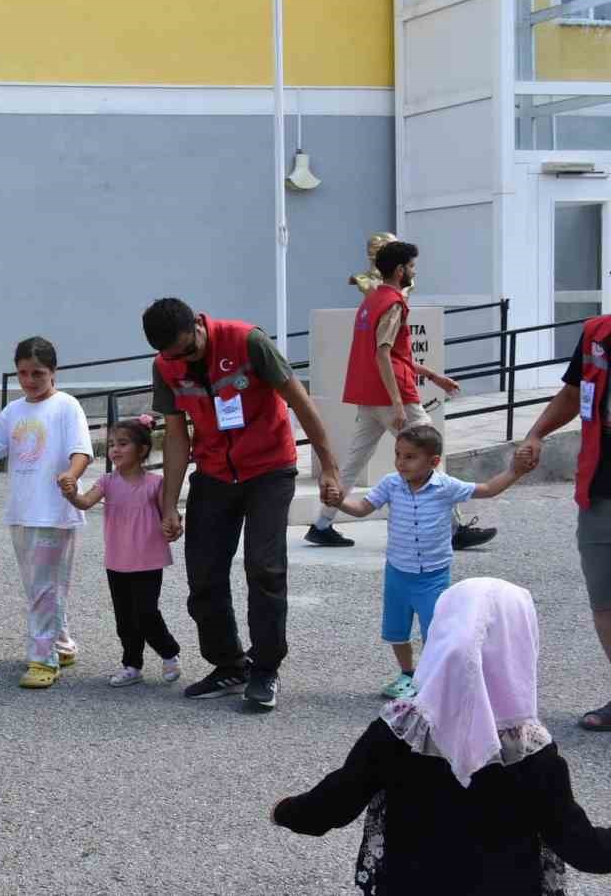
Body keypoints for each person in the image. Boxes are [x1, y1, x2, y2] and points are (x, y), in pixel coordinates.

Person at [272, 578, 611, 895]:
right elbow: (581, 847)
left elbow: (338, 799)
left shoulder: (401, 730)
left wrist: (286, 811)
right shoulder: (529, 750)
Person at [144, 297, 343, 711]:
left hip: (269, 468)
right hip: (215, 473)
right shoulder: (166, 366)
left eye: (187, 349)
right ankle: (230, 664)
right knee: (203, 573)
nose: (182, 359)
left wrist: (328, 465)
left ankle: (265, 669)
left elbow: (299, 400)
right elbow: (178, 437)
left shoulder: (247, 341)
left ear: (198, 325)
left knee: (264, 566)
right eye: (172, 355)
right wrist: (169, 503)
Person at [306, 240, 498, 551]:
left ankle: (322, 524)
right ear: (399, 270)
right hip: (393, 395)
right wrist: (397, 403)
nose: (413, 271)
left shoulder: (371, 301)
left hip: (367, 395)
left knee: (354, 461)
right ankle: (453, 529)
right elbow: (384, 353)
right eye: (411, 267)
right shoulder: (394, 302)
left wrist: (433, 376)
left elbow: (393, 353)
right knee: (429, 453)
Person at [325, 425, 529, 699]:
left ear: (433, 461)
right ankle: (407, 674)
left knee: (436, 629)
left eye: (410, 457)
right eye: (398, 454)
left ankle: (433, 675)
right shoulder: (390, 483)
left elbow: (488, 489)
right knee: (396, 628)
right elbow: (362, 509)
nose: (401, 462)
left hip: (433, 574)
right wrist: (339, 502)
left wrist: (514, 471)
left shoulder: (446, 486)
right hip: (398, 571)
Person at [0, 336, 88, 688]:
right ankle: (61, 644)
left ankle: (42, 659)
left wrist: (71, 477)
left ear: (53, 372)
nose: (29, 381)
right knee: (40, 587)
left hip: (56, 513)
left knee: (45, 588)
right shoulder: (12, 411)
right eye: (23, 373)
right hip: (22, 512)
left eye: (38, 374)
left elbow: (81, 450)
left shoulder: (67, 406)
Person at [518, 314, 611, 731]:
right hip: (600, 491)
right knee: (605, 604)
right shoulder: (597, 333)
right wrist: (536, 433)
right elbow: (573, 394)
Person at [67, 414, 183, 688]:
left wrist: (173, 525)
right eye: (111, 444)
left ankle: (169, 652)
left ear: (142, 450)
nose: (115, 450)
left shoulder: (156, 483)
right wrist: (70, 492)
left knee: (146, 612)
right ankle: (132, 664)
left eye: (122, 443)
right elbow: (85, 502)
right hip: (117, 561)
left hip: (148, 559)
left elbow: (170, 513)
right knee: (124, 618)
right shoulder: (107, 481)